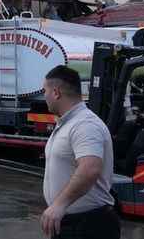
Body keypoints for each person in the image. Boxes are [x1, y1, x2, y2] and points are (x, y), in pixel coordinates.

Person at [40, 65, 119, 239]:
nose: (43, 95)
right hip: (69, 222)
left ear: (56, 92)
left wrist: (59, 205)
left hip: (88, 226)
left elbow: (90, 168)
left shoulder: (85, 124)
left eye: (44, 90)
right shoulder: (68, 123)